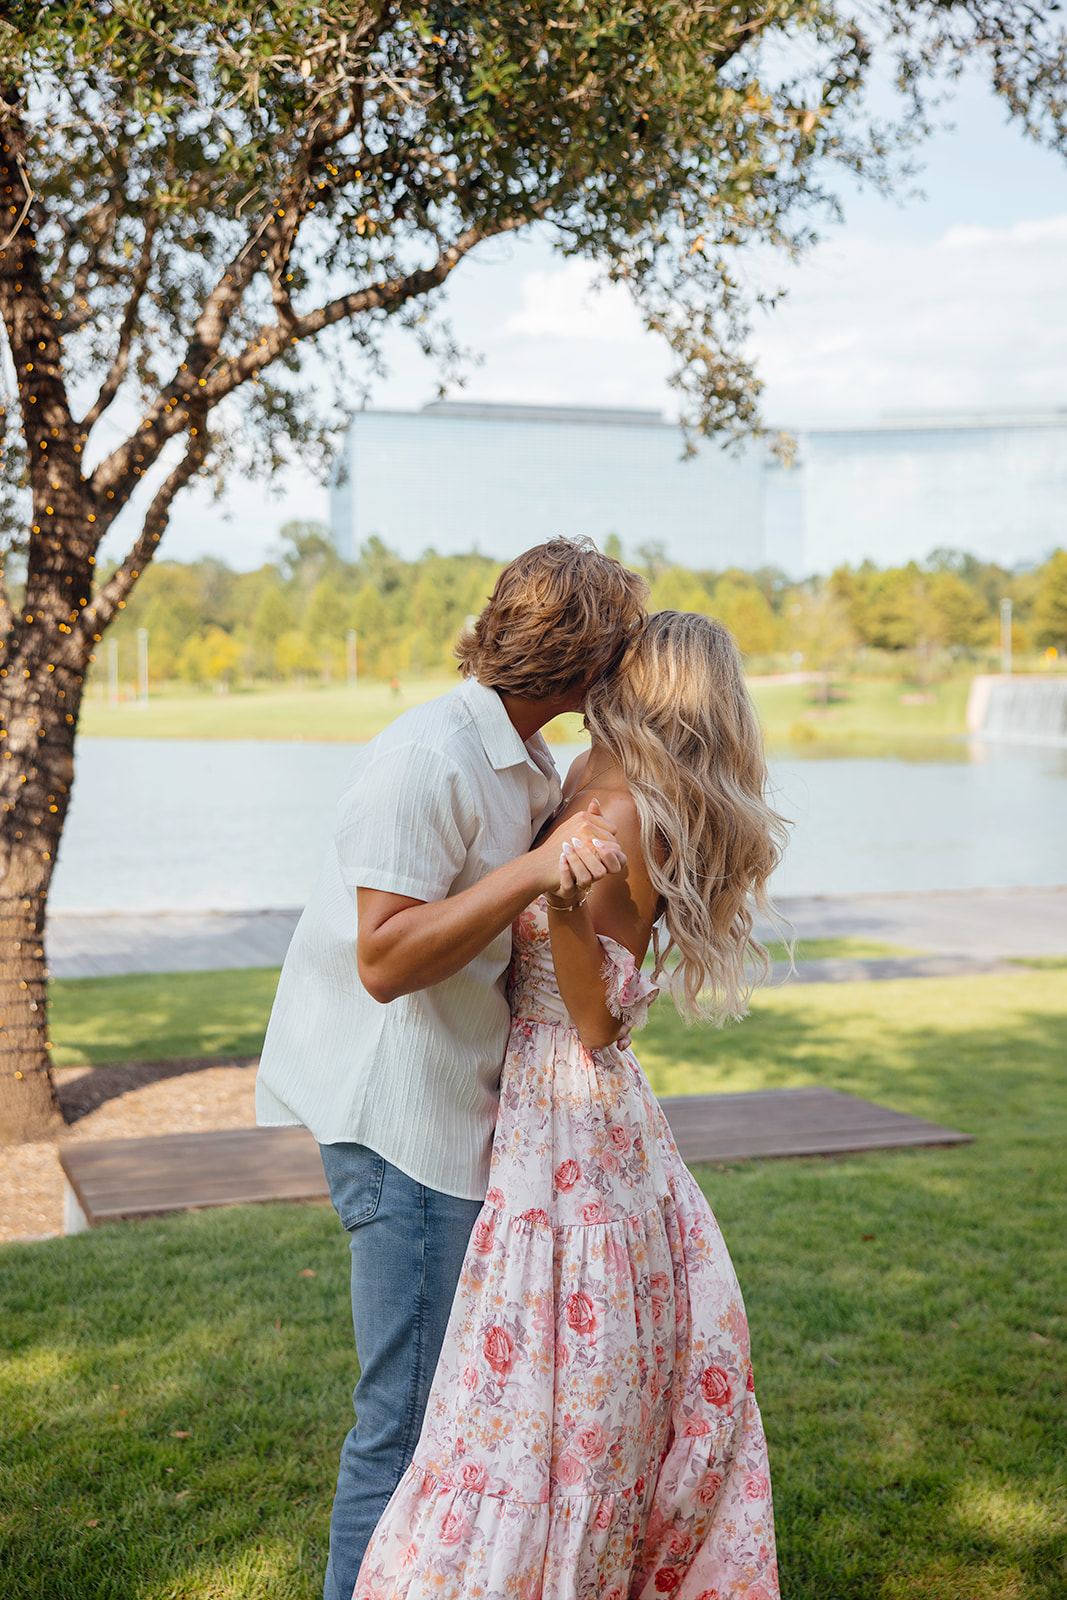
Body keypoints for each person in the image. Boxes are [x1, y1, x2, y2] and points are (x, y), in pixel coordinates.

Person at [353, 609, 789, 1599]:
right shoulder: (577, 771)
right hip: (538, 1095)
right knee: (537, 1348)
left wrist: (551, 901)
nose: (593, 668)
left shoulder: (630, 807)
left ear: (646, 682)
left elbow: (594, 1017)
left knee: (557, 1347)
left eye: (616, 660)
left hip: (571, 1099)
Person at [255, 538, 648, 1600]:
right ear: (582, 660)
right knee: (407, 1422)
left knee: (447, 1417)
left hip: (455, 1105)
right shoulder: (426, 759)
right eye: (617, 652)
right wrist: (530, 872)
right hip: (399, 1121)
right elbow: (383, 959)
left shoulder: (519, 760)